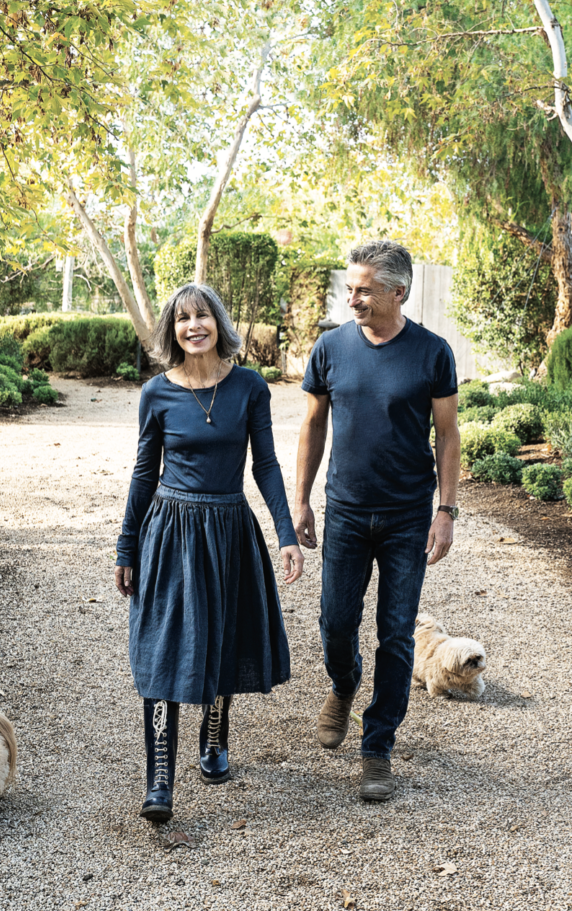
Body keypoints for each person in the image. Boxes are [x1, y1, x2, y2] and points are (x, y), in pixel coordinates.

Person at [115, 283, 303, 823]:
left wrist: (286, 534)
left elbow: (265, 465)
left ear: (218, 322)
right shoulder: (157, 393)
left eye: (202, 316)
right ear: (171, 331)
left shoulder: (248, 387)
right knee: (162, 647)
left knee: (225, 634)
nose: (193, 326)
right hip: (171, 530)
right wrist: (127, 546)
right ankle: (158, 777)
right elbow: (143, 473)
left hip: (228, 528)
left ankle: (215, 736)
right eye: (181, 319)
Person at [294, 240, 460, 802]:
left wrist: (446, 510)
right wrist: (302, 500)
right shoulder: (330, 348)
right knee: (336, 624)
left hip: (407, 516)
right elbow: (312, 428)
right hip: (344, 509)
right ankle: (343, 683)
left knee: (396, 633)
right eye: (351, 287)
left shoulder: (432, 353)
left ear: (398, 292)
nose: (353, 297)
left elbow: (448, 435)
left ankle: (377, 746)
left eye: (364, 289)